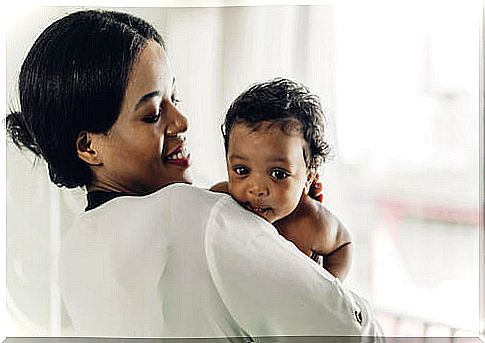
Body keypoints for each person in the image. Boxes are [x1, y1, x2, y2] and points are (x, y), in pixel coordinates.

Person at [6, 9, 383, 339]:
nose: (181, 121)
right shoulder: (197, 215)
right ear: (89, 146)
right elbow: (353, 334)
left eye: (176, 98)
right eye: (153, 114)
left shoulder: (75, 253)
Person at [212, 78, 352, 281]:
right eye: (242, 170)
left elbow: (343, 245)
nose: (257, 188)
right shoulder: (222, 201)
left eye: (278, 174)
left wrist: (329, 286)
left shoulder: (311, 222)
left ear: (309, 175)